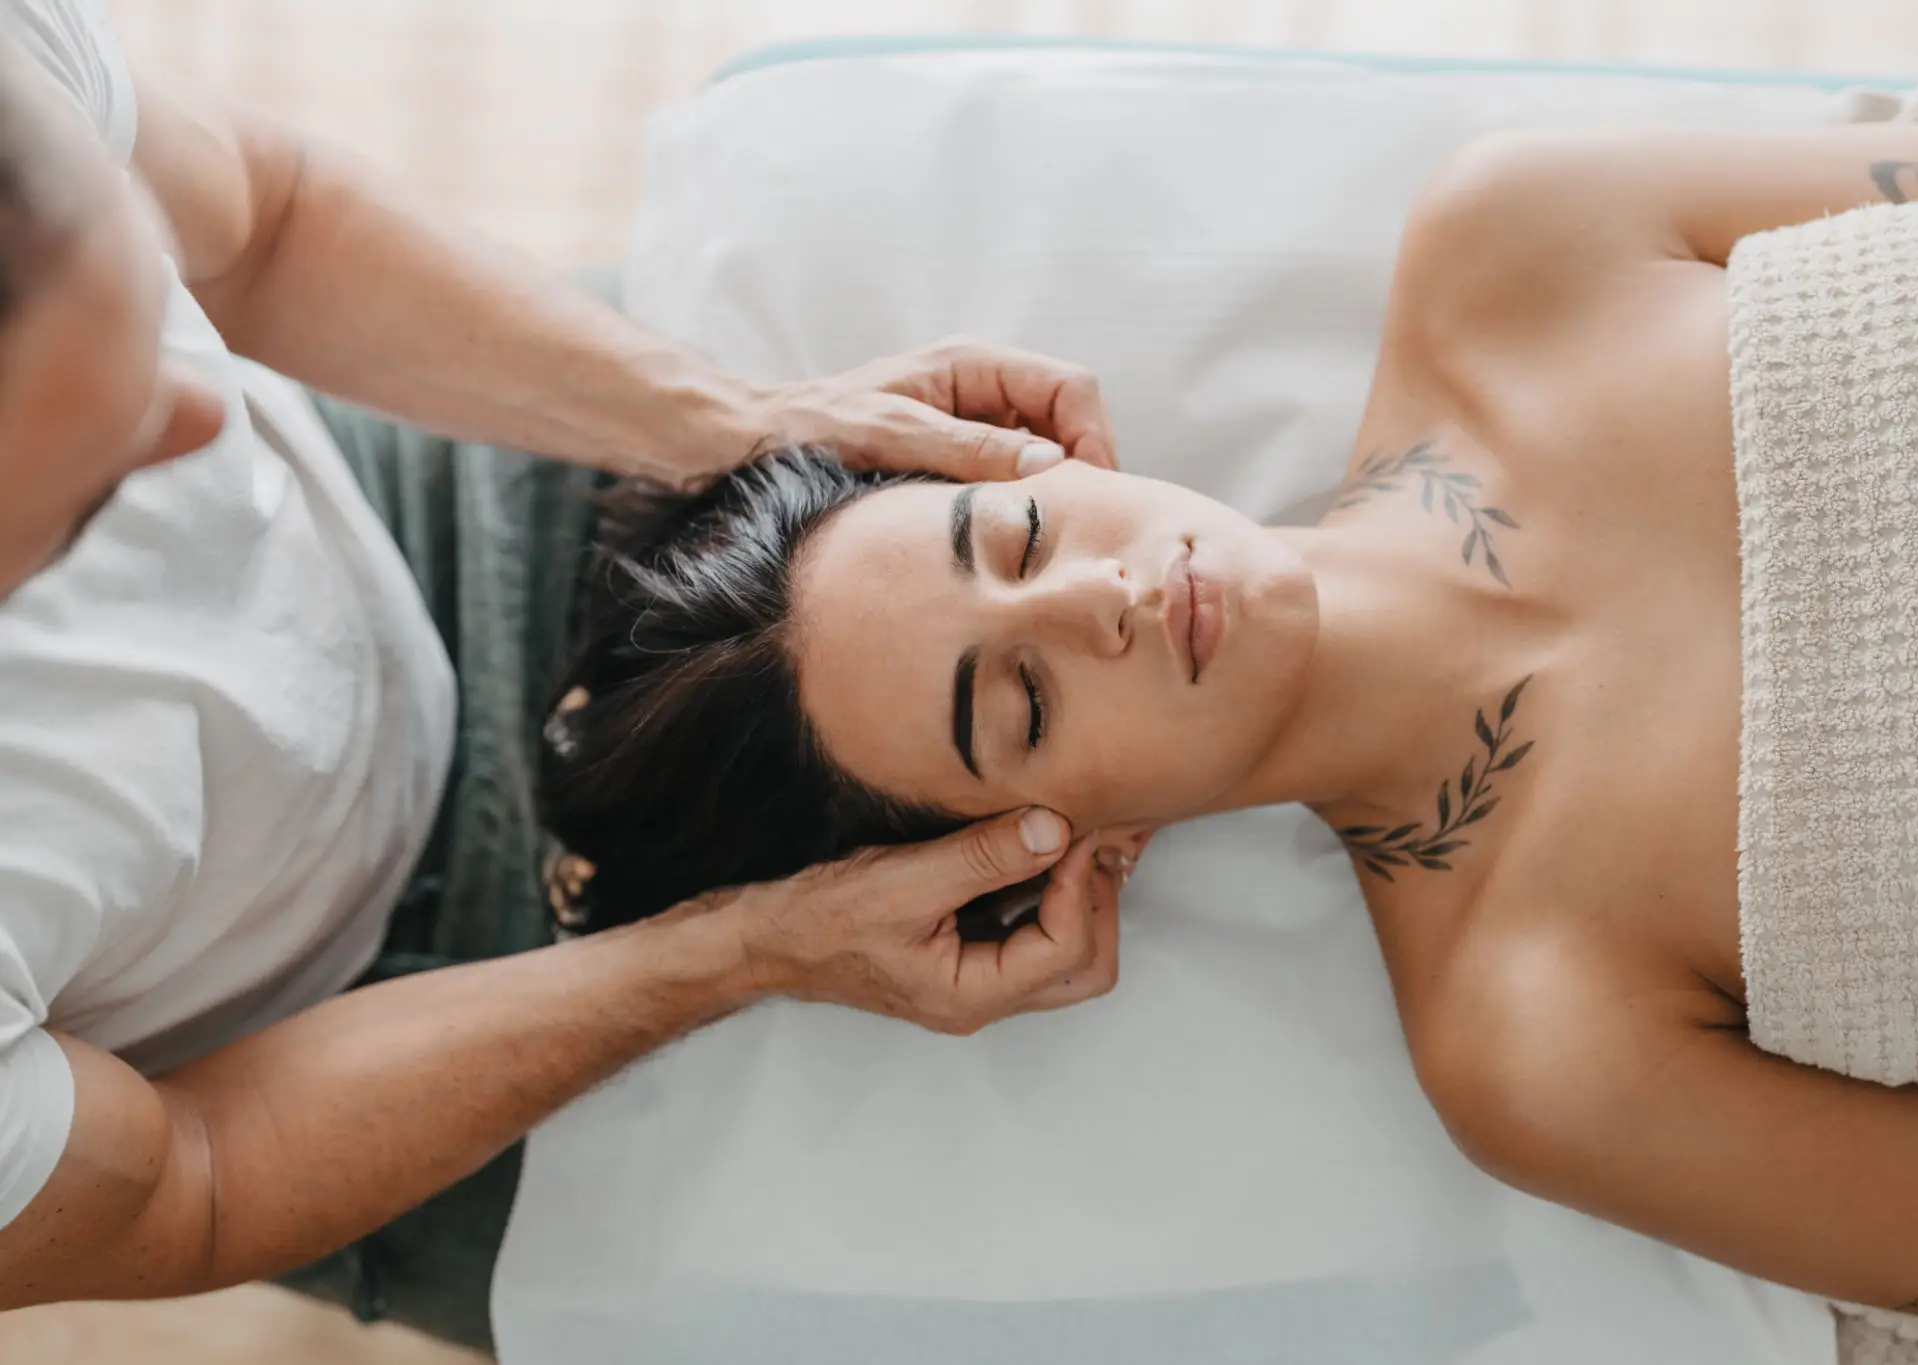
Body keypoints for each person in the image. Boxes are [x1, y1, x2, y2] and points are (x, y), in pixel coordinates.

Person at [538, 127, 1918, 1340]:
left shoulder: (1516, 244)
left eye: (1014, 538)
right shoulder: (1533, 1042)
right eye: (1026, 703)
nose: (1100, 602)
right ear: (1073, 855)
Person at [0, 0, 1128, 1351]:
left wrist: (728, 422)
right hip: (344, 1035)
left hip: (415, 486)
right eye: (86, 498)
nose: (199, 416)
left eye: (136, 309)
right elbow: (201, 1177)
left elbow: (269, 225)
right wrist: (740, 955)